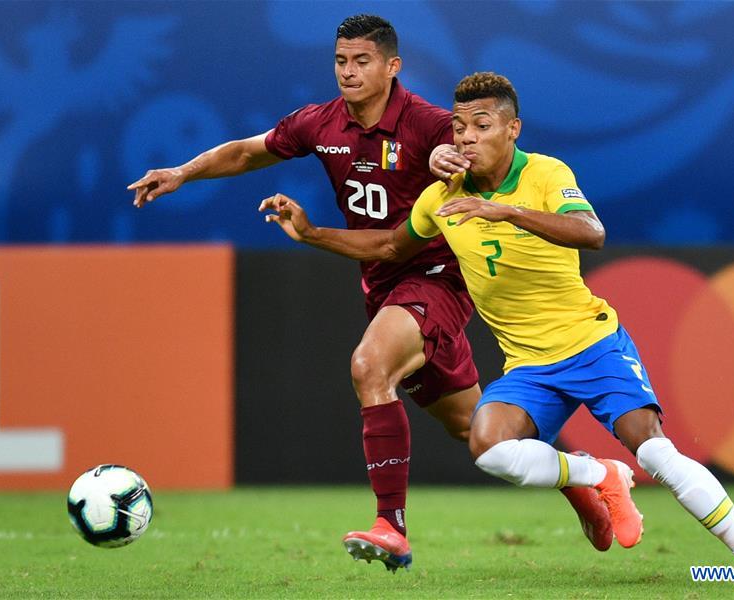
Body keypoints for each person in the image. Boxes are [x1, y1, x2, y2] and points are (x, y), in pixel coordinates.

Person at [259, 72, 734, 587]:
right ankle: (600, 475)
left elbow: (592, 233)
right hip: (530, 366)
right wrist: (310, 234)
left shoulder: (546, 174)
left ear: (513, 130)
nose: (467, 137)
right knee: (488, 447)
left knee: (651, 449)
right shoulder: (441, 197)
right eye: (460, 126)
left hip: (591, 345)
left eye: (482, 125)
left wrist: (504, 211)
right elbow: (392, 247)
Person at [128, 17, 611, 571]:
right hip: (384, 280)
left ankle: (392, 526)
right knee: (470, 425)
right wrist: (182, 172)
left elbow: (483, 159)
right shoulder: (320, 123)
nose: (349, 72)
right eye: (340, 61)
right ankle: (584, 483)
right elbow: (247, 151)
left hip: (440, 277)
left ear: (392, 67)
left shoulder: (433, 124)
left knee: (368, 365)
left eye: (361, 61)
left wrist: (446, 162)